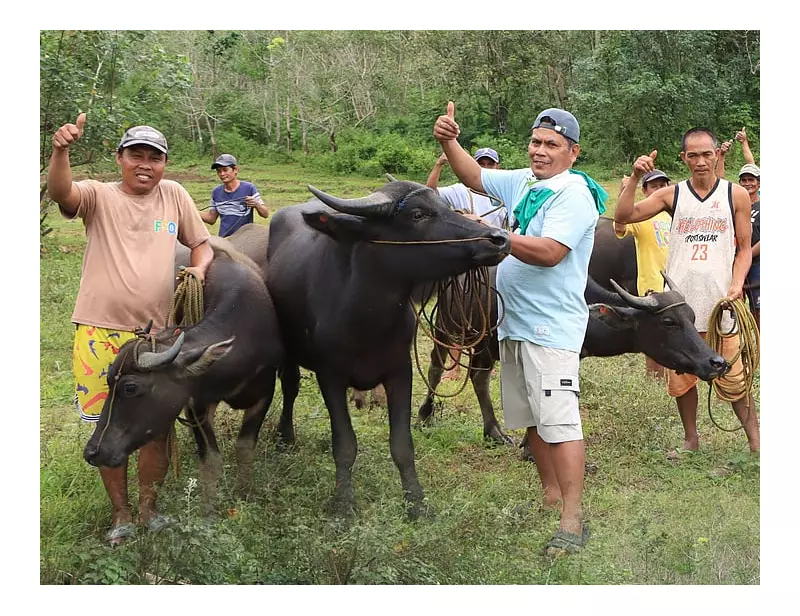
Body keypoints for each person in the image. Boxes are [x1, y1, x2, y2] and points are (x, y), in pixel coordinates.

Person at [435, 103, 606, 556]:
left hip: (552, 328)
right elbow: (475, 177)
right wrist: (450, 141)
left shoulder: (573, 194)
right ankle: (550, 496)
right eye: (536, 142)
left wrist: (496, 238)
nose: (541, 151)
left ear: (573, 152)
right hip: (514, 323)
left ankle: (572, 520)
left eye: (552, 144)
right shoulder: (523, 182)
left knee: (560, 423)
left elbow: (550, 251)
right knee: (530, 418)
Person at [48, 116, 213, 545]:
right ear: (119, 159)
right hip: (100, 332)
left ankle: (148, 509)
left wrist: (197, 269)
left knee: (156, 426)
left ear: (164, 163)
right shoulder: (99, 195)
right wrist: (61, 151)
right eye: (136, 155)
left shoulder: (174, 195)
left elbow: (202, 243)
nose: (145, 164)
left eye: (154, 157)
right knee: (109, 426)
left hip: (157, 336)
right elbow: (61, 193)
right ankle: (120, 513)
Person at [614, 128, 760, 454]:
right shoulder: (672, 195)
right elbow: (624, 216)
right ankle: (691, 440)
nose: (701, 161)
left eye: (707, 154)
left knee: (735, 376)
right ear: (684, 158)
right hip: (679, 309)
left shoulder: (735, 195)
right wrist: (636, 179)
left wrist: (736, 284)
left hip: (723, 303)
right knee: (682, 379)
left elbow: (745, 249)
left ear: (717, 155)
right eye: (692, 155)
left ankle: (756, 444)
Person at [426, 147, 508, 381]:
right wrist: (439, 165)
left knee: (488, 310)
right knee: (454, 309)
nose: (486, 167)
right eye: (481, 163)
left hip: (493, 260)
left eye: (490, 164)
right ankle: (453, 364)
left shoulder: (501, 195)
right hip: (465, 255)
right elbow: (430, 194)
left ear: (497, 167)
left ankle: (485, 359)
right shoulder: (461, 191)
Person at [614, 169, 673, 378]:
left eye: (663, 185)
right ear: (645, 191)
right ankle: (654, 379)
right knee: (655, 338)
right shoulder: (639, 216)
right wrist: (624, 192)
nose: (659, 189)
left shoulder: (674, 214)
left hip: (676, 287)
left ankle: (673, 378)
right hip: (653, 287)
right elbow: (620, 223)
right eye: (654, 186)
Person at [200, 154, 270, 237]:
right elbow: (211, 219)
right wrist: (191, 210)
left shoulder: (249, 188)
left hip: (245, 239)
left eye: (225, 170)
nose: (222, 174)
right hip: (225, 239)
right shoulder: (216, 192)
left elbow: (265, 214)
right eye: (219, 171)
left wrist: (256, 204)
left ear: (235, 170)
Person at [738, 164, 760, 330]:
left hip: (757, 264)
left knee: (758, 310)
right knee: (734, 307)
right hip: (736, 264)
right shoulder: (737, 206)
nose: (747, 183)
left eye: (751, 180)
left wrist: (746, 256)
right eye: (744, 180)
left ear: (758, 183)